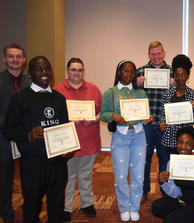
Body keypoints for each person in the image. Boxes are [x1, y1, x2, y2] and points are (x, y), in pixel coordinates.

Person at [2, 56, 69, 223]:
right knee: (32, 205)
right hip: (32, 162)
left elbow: (65, 126)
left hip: (57, 162)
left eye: (47, 68)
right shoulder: (20, 98)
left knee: (57, 205)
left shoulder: (59, 98)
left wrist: (68, 147)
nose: (44, 72)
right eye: (39, 69)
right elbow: (7, 130)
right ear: (30, 73)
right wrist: (28, 136)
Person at [100, 60, 153, 221]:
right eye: (125, 71)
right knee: (121, 175)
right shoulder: (111, 92)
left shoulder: (141, 93)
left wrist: (148, 119)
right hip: (120, 137)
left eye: (131, 72)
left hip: (138, 136)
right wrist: (113, 116)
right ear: (119, 72)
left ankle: (134, 206)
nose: (129, 74)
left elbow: (146, 115)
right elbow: (103, 114)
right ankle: (124, 206)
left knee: (138, 174)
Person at [0, 43, 30, 223]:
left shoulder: (30, 81)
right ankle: (6, 212)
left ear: (24, 60)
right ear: (4, 59)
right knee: (5, 179)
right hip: (3, 138)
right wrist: (10, 124)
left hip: (26, 139)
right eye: (11, 56)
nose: (15, 60)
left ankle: (29, 208)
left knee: (28, 177)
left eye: (19, 56)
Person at [53, 58, 102, 222]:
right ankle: (66, 208)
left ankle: (87, 204)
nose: (76, 73)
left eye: (80, 70)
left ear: (83, 71)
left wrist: (94, 119)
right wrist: (66, 119)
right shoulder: (57, 90)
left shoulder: (93, 89)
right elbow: (52, 116)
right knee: (67, 177)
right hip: (67, 143)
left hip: (89, 141)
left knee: (86, 175)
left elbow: (104, 111)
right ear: (67, 71)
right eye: (73, 69)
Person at [151, 126, 194, 223]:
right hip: (181, 200)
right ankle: (182, 214)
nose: (183, 147)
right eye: (180, 142)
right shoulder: (172, 163)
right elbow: (175, 193)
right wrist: (162, 183)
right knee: (156, 208)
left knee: (169, 220)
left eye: (188, 144)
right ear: (176, 143)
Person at [136, 41, 174, 203]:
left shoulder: (172, 72)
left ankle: (166, 192)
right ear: (148, 55)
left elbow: (181, 95)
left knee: (165, 160)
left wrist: (177, 84)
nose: (156, 57)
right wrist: (135, 84)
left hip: (165, 125)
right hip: (146, 125)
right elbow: (132, 98)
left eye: (159, 53)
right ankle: (144, 191)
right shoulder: (140, 72)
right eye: (153, 54)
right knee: (144, 159)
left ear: (164, 53)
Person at [159, 54, 194, 158]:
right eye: (177, 75)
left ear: (188, 76)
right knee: (169, 168)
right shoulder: (167, 94)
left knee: (184, 167)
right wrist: (162, 124)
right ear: (174, 76)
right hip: (169, 139)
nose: (180, 77)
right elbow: (163, 116)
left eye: (183, 74)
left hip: (186, 141)